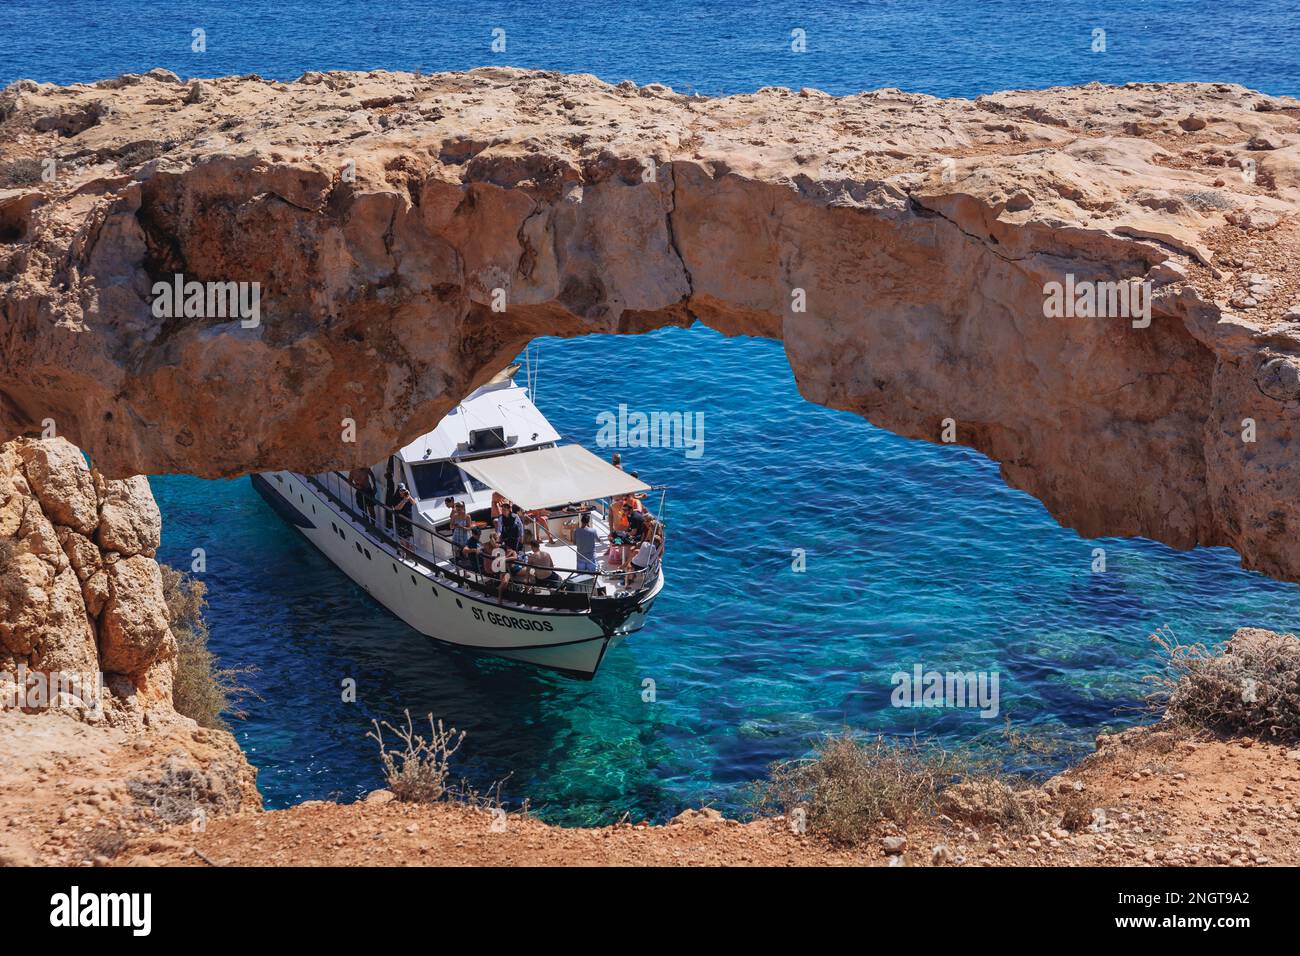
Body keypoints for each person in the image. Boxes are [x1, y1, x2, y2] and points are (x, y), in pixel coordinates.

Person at [391, 482, 417, 554]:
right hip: (400, 521)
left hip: (408, 520)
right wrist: (404, 500)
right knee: (402, 539)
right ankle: (403, 553)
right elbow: (397, 508)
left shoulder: (407, 496)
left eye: (404, 490)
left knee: (408, 538)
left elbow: (414, 503)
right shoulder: (395, 498)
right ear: (398, 490)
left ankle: (407, 553)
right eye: (401, 490)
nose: (403, 492)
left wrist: (409, 496)